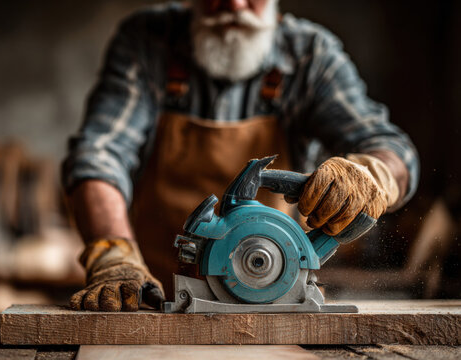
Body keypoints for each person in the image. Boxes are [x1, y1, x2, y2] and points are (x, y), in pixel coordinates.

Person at [61, 0, 419, 312]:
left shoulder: (311, 55)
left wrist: (369, 177)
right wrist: (114, 253)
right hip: (153, 296)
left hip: (272, 297)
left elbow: (391, 148)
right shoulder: (147, 40)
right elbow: (100, 154)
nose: (233, 4)